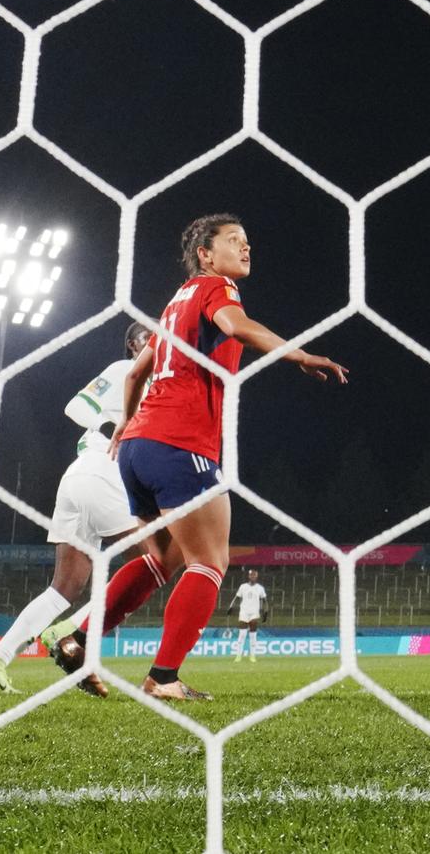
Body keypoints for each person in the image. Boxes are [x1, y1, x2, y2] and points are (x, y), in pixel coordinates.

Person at [48, 214, 347, 704]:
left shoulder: (174, 304)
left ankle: (77, 639)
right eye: (234, 241)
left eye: (248, 241)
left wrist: (126, 423)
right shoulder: (215, 288)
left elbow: (134, 375)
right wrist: (300, 356)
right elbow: (238, 326)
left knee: (162, 559)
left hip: (139, 448)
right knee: (210, 561)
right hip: (180, 443)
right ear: (205, 254)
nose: (246, 248)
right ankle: (163, 677)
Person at [0, 324, 153, 696]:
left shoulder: (156, 386)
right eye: (148, 336)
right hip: (101, 470)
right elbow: (76, 406)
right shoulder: (124, 371)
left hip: (82, 478)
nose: (158, 342)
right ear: (133, 345)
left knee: (64, 588)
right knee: (158, 560)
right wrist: (113, 425)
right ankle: (74, 632)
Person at [230, 568, 267, 662]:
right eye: (251, 575)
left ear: (257, 576)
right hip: (244, 612)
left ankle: (252, 655)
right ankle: (238, 656)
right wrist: (231, 607)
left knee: (253, 635)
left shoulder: (260, 588)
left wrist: (266, 611)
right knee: (242, 635)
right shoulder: (243, 587)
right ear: (249, 576)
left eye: (254, 575)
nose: (253, 576)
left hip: (254, 613)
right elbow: (237, 598)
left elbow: (264, 600)